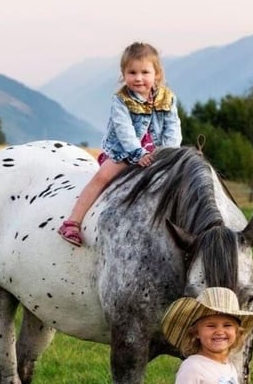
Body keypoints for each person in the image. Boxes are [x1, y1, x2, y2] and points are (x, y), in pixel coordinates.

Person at [58, 42, 182, 246]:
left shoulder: (167, 99)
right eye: (132, 72)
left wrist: (168, 153)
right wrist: (138, 154)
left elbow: (173, 127)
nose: (138, 78)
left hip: (158, 153)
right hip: (125, 152)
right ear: (123, 74)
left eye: (145, 72)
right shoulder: (121, 100)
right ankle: (73, 222)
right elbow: (124, 132)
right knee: (102, 177)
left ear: (156, 74)